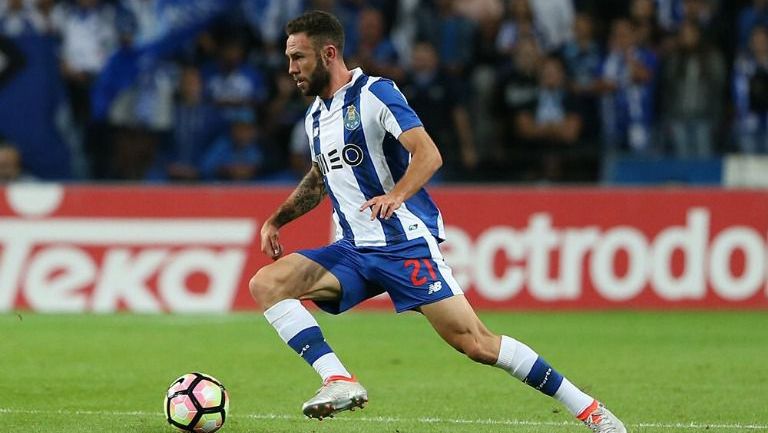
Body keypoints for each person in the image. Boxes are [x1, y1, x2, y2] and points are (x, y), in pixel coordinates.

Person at [248, 10, 627, 433]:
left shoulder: (374, 94)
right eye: (289, 58)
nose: (290, 69)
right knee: (267, 284)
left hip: (402, 244)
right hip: (353, 250)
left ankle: (591, 410)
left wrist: (396, 195)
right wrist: (277, 219)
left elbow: (427, 153)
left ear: (328, 53)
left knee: (477, 343)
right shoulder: (315, 116)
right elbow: (321, 178)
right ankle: (338, 379)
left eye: (298, 57)